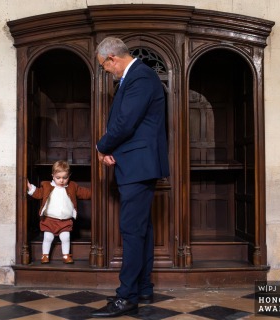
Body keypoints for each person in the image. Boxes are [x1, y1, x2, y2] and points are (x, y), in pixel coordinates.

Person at [91, 37, 170, 318]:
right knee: (142, 229)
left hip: (139, 165)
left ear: (112, 58)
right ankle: (143, 287)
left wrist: (102, 146)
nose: (107, 72)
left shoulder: (140, 77)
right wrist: (115, 150)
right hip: (136, 162)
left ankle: (126, 297)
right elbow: (131, 125)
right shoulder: (138, 77)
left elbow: (126, 122)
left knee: (131, 230)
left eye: (105, 66)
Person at [27, 160, 91, 264]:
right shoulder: (47, 186)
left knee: (65, 237)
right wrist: (30, 187)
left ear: (69, 176)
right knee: (48, 237)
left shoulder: (72, 186)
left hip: (65, 220)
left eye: (65, 178)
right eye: (58, 178)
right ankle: (45, 255)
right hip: (49, 219)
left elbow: (84, 193)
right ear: (53, 176)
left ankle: (66, 255)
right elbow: (38, 193)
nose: (61, 180)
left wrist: (95, 192)